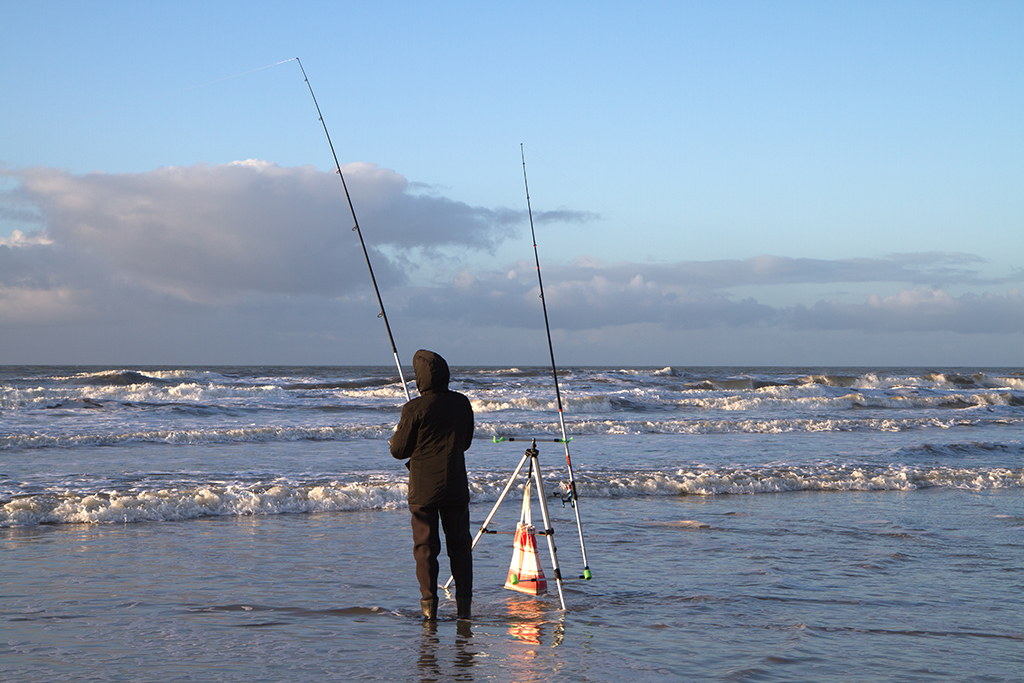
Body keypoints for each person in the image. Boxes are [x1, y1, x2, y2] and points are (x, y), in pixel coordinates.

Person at [390, 349, 475, 621]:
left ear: (420, 378)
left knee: (426, 549)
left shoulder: (413, 408)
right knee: (460, 547)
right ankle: (464, 609)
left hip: (423, 490)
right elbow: (466, 442)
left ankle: (430, 611)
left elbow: (400, 451)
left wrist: (395, 437)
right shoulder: (462, 403)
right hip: (455, 485)